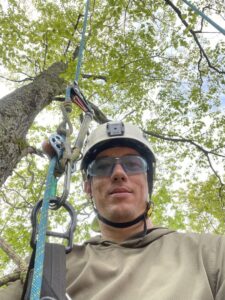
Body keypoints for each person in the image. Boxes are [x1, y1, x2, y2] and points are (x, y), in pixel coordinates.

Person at [1, 120, 225, 300]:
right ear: (88, 187)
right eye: (103, 166)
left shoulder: (212, 255)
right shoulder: (51, 266)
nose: (119, 173)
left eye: (133, 164)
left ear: (147, 182)